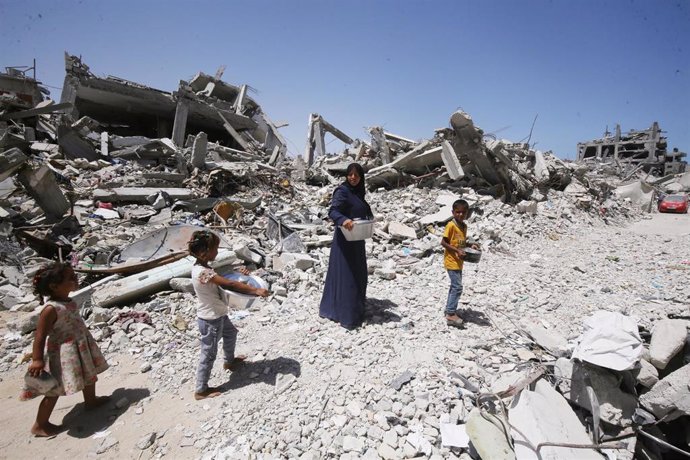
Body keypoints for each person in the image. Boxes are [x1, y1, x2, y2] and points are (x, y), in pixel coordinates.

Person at [20, 262, 110, 437]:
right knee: (53, 389)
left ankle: (91, 401)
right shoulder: (50, 309)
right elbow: (40, 337)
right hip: (62, 354)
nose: (76, 280)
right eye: (71, 278)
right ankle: (40, 424)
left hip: (80, 346)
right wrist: (37, 360)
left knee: (89, 374)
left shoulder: (68, 300)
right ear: (54, 286)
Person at [187, 230, 270, 400]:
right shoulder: (203, 272)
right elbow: (230, 284)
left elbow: (224, 277)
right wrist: (255, 290)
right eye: (215, 249)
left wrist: (241, 272)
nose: (217, 252)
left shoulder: (202, 266)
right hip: (210, 319)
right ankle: (201, 389)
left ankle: (229, 362)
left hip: (218, 313)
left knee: (231, 333)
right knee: (208, 354)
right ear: (205, 251)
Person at [319, 163, 373, 330]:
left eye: (357, 175)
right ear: (346, 176)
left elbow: (362, 209)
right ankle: (346, 315)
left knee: (359, 273)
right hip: (345, 239)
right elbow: (333, 211)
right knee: (346, 275)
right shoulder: (342, 191)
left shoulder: (358, 192)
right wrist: (344, 220)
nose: (353, 178)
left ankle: (356, 309)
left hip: (357, 239)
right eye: (350, 175)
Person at [440, 199, 479, 328]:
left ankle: (449, 309)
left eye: (463, 212)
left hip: (459, 261)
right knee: (457, 287)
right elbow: (444, 243)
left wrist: (470, 245)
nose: (460, 215)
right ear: (453, 212)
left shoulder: (464, 226)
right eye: (458, 212)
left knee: (454, 286)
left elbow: (460, 242)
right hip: (451, 260)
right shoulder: (451, 225)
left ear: (467, 213)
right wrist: (457, 250)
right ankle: (451, 314)